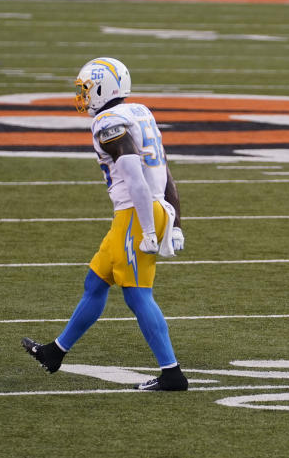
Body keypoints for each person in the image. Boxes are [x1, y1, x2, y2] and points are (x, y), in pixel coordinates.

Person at [21, 57, 188, 391]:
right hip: (142, 211)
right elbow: (164, 170)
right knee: (95, 281)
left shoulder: (108, 123)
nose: (82, 97)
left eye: (86, 90)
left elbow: (137, 179)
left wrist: (151, 230)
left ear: (101, 88)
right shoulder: (140, 111)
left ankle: (172, 373)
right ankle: (55, 352)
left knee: (138, 296)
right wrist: (177, 220)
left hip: (137, 214)